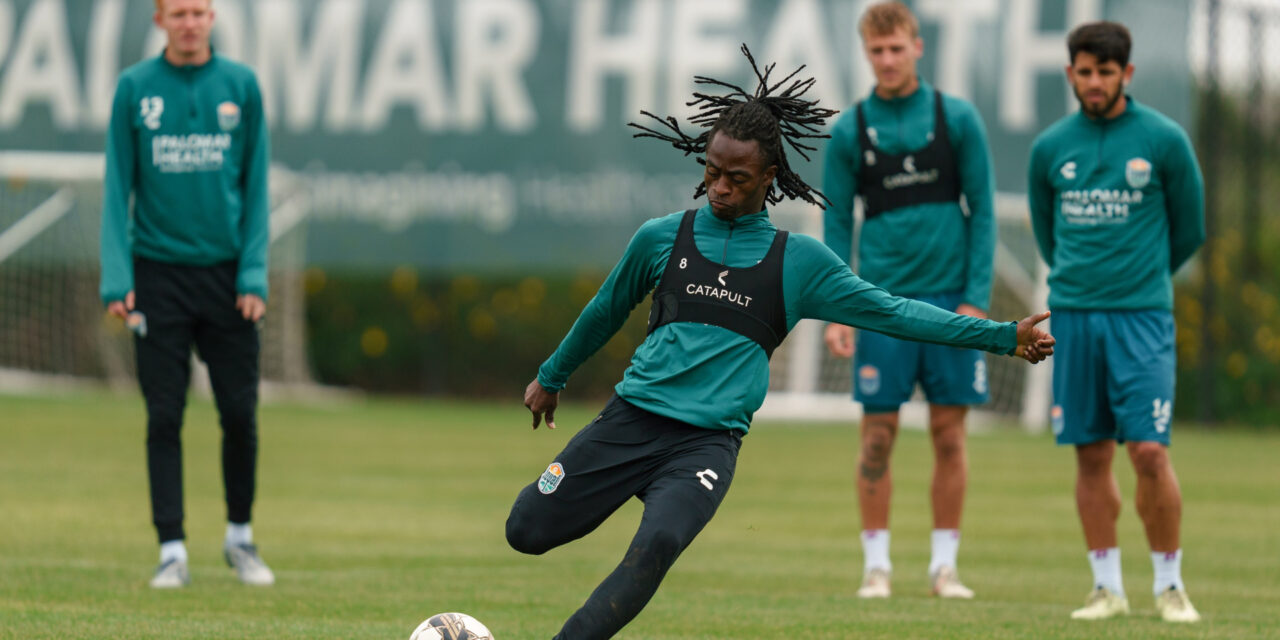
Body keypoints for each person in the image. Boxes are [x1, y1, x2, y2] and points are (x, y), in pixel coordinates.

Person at [506, 45, 1055, 640]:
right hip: (630, 421)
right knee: (525, 531)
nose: (718, 188)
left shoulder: (799, 263)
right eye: (711, 171)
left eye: (736, 178)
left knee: (658, 542)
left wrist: (1002, 336)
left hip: (704, 447)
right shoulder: (663, 236)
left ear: (770, 180)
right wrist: (551, 376)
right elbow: (604, 309)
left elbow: (894, 313)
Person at [1027, 21, 1204, 623]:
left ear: (1126, 74)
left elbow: (1191, 229)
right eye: (1085, 71)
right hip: (1074, 317)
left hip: (1142, 320)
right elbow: (1047, 233)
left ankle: (1171, 585)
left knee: (1150, 452)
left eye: (1106, 72)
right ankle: (1106, 587)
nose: (1095, 82)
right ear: (1071, 73)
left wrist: (1142, 277)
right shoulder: (1050, 148)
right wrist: (1084, 285)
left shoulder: (1163, 139)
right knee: (1090, 454)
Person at [820, 0, 996, 600]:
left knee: (949, 434)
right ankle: (877, 567)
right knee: (877, 436)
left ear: (918, 48)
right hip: (880, 307)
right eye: (877, 51)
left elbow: (984, 213)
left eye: (898, 48)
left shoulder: (958, 120)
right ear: (866, 53)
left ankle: (945, 567)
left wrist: (975, 299)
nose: (888, 59)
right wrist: (838, 308)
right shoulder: (851, 131)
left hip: (950, 304)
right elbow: (837, 224)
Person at [99, 0, 273, 588]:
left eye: (199, 11)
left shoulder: (241, 86)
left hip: (227, 280)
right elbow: (117, 184)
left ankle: (240, 538)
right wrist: (116, 278)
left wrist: (252, 276)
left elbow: (256, 186)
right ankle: (171, 547)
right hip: (156, 278)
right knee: (164, 415)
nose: (190, 22)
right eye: (178, 12)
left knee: (240, 415)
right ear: (159, 21)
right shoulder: (135, 88)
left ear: (213, 17)